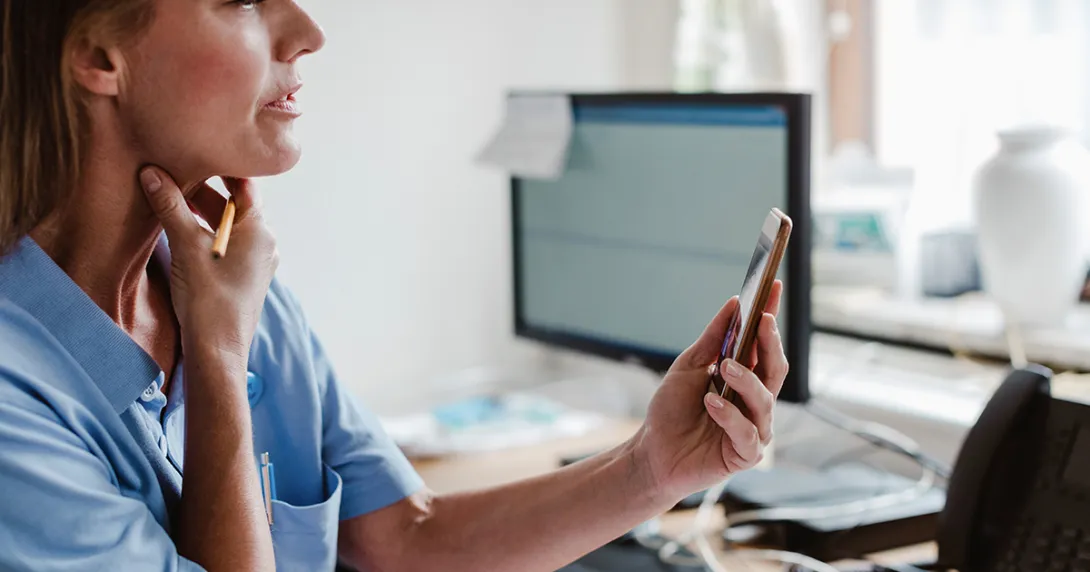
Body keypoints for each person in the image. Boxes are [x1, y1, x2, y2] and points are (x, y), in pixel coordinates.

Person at [0, 2, 789, 571]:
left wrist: (655, 468)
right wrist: (216, 359)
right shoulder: (20, 402)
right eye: (242, 0)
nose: (307, 32)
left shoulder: (232, 293)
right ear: (99, 57)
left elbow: (402, 542)